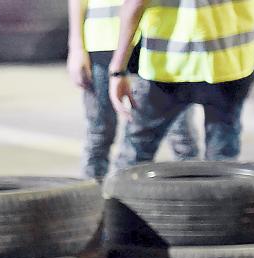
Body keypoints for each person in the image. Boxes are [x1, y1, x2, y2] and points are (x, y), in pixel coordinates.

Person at [108, 0, 254, 168]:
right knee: (222, 166)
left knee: (133, 159)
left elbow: (135, 4)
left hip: (168, 66)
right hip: (228, 63)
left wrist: (118, 69)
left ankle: (121, 195)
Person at [67, 0, 199, 180]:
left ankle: (195, 200)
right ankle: (95, 203)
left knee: (182, 137)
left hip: (157, 41)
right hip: (103, 40)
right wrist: (76, 46)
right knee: (99, 135)